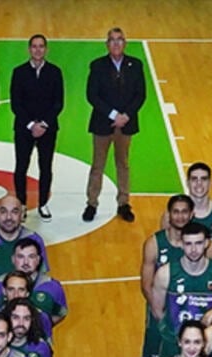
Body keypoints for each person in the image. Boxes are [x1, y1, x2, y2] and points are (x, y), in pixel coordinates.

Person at [83, 27, 145, 222]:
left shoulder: (135, 65)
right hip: (103, 124)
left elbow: (140, 94)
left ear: (125, 43)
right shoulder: (97, 65)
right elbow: (92, 95)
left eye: (120, 40)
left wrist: (125, 115)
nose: (116, 43)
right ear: (107, 44)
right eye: (112, 40)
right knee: (98, 165)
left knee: (123, 164)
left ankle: (123, 203)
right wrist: (113, 114)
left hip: (125, 124)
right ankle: (92, 203)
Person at [9, 34, 63, 217]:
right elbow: (16, 103)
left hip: (48, 130)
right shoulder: (19, 72)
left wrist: (44, 124)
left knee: (45, 167)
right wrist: (31, 124)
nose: (38, 50)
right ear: (29, 49)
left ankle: (43, 204)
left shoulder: (55, 72)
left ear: (46, 49)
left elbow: (58, 103)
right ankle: (21, 204)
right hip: (24, 129)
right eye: (34, 46)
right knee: (21, 166)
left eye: (41, 46)